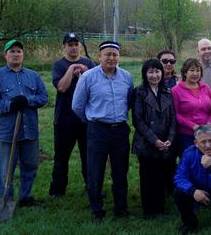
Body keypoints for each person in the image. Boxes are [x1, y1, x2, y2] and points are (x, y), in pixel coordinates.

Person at [72, 41, 134, 220]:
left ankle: (121, 208)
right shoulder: (88, 77)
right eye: (107, 54)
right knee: (95, 171)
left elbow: (128, 101)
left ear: (119, 57)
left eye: (115, 54)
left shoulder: (126, 77)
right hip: (97, 130)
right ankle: (96, 209)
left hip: (120, 130)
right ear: (99, 57)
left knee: (120, 171)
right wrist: (93, 120)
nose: (111, 58)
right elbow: (77, 106)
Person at [0, 39, 48, 207]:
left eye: (19, 51)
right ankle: (6, 199)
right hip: (7, 132)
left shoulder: (33, 76)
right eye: (11, 51)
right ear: (5, 55)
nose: (16, 54)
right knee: (6, 170)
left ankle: (25, 197)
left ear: (23, 55)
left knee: (30, 166)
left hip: (29, 130)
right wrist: (9, 104)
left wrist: (27, 100)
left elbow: (43, 97)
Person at [49, 33, 96, 198]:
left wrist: (86, 71)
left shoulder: (89, 63)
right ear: (64, 47)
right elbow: (61, 88)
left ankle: (91, 187)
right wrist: (70, 69)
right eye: (70, 44)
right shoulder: (59, 65)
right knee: (61, 157)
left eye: (76, 44)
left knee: (88, 157)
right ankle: (57, 190)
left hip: (86, 120)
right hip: (64, 120)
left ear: (80, 46)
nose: (74, 47)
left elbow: (97, 85)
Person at [132, 59, 176, 219]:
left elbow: (173, 118)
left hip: (165, 141)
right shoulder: (139, 92)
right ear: (145, 74)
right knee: (147, 176)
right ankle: (149, 210)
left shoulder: (167, 91)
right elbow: (137, 120)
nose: (154, 75)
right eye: (150, 72)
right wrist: (154, 140)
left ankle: (160, 207)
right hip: (146, 142)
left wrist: (170, 138)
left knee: (161, 175)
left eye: (157, 71)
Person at [171, 58, 211, 157]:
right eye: (192, 70)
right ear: (185, 72)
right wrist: (193, 126)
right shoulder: (176, 90)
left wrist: (209, 123)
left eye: (198, 70)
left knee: (207, 162)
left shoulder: (206, 87)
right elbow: (175, 114)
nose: (195, 73)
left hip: (207, 134)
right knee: (191, 163)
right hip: (187, 135)